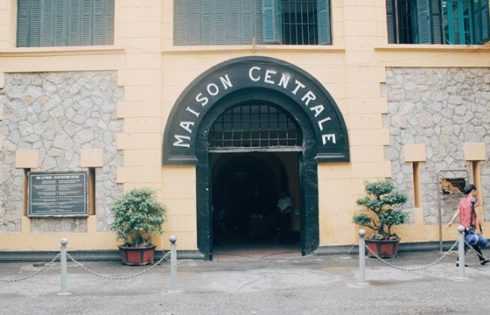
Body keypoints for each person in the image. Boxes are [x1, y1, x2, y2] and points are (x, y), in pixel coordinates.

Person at [448, 184, 489, 266]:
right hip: (470, 227)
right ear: (472, 191)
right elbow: (478, 216)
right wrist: (480, 228)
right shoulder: (473, 201)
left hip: (463, 227)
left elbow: (458, 211)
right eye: (474, 191)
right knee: (466, 244)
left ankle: (482, 259)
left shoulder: (462, 201)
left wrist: (451, 221)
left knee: (473, 243)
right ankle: (459, 261)